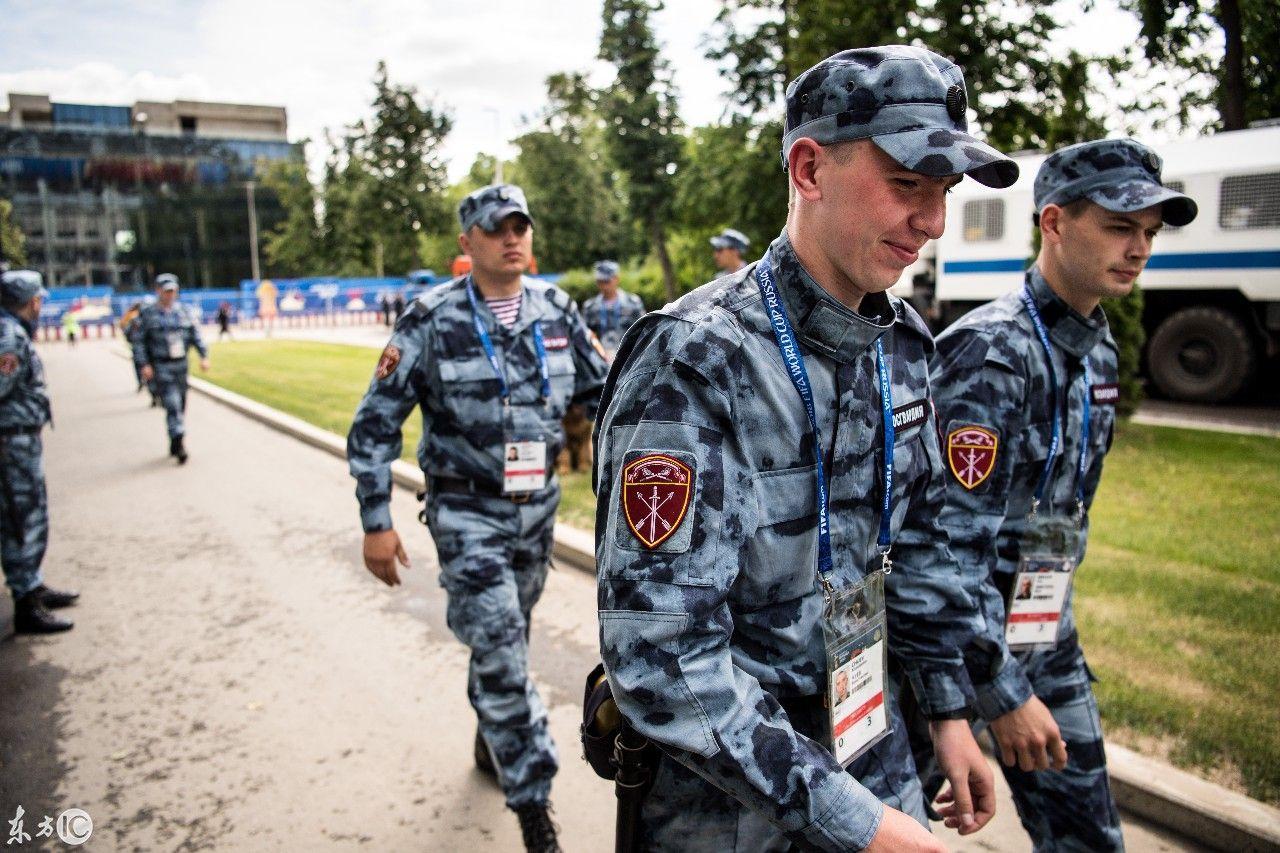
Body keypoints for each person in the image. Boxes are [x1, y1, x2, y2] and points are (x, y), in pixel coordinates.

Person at [594, 45, 1020, 852]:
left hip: (878, 755)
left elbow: (920, 555)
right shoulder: (697, 357)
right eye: (907, 184)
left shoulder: (904, 346)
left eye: (942, 192)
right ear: (809, 168)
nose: (931, 221)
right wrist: (861, 826)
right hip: (735, 814)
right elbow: (660, 653)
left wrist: (951, 710)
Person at [917, 138, 1197, 852]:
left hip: (1046, 634)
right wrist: (999, 689)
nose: (1137, 248)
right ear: (1054, 222)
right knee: (882, 829)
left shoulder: (1097, 348)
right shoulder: (990, 352)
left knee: (1090, 837)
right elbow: (944, 547)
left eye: (1148, 233)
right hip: (957, 653)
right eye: (1118, 225)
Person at [347, 184, 609, 853]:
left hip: (537, 509)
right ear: (467, 243)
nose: (512, 238)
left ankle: (494, 737)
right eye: (496, 229)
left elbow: (601, 391)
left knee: (507, 642)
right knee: (497, 642)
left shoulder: (554, 307)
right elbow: (375, 424)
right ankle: (534, 810)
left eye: (521, 225)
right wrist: (376, 518)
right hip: (467, 510)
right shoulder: (430, 318)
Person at [0, 270, 79, 634]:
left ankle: (31, 586)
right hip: (11, 444)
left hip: (18, 440)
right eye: (39, 299)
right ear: (30, 301)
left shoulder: (12, 332)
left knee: (25, 518)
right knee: (22, 521)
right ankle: (26, 604)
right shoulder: (8, 336)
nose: (41, 305)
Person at [130, 274, 209, 464]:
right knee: (172, 403)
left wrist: (203, 355)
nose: (170, 294)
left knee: (181, 403)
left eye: (173, 290)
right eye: (166, 291)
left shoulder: (183, 311)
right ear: (158, 291)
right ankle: (179, 440)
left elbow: (194, 334)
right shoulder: (148, 314)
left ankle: (175, 438)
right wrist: (144, 364)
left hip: (180, 364)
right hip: (161, 364)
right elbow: (138, 342)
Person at [580, 260, 645, 359]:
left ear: (616, 279)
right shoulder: (590, 307)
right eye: (600, 282)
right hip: (600, 359)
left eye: (606, 281)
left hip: (627, 358)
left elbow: (643, 331)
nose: (604, 286)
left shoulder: (633, 303)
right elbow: (586, 334)